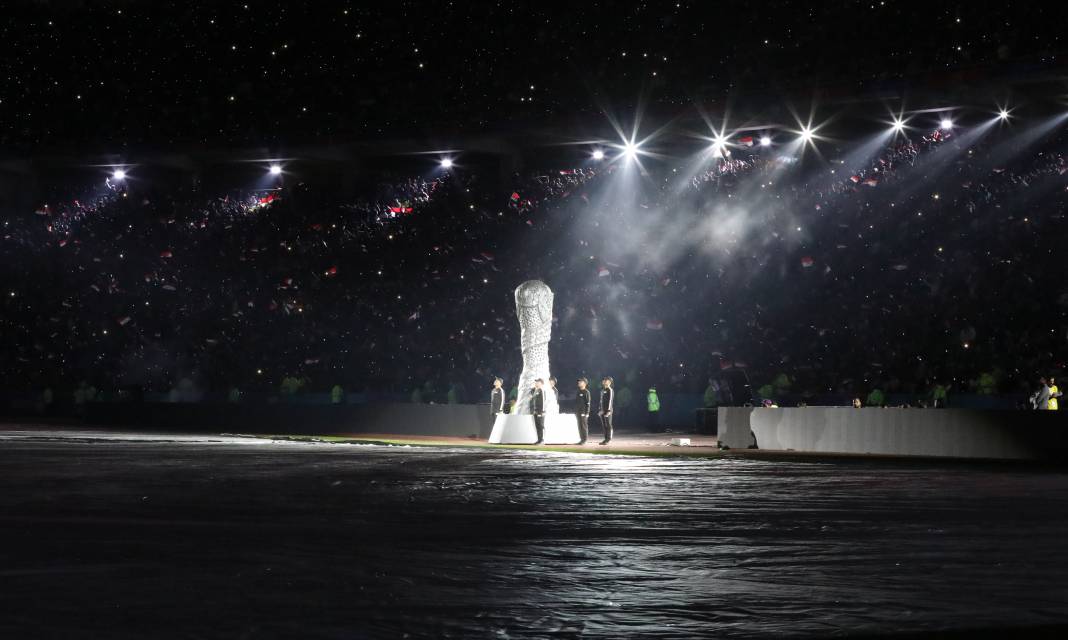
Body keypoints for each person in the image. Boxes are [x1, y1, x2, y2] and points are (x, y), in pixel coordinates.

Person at [599, 377, 614, 445]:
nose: (604, 381)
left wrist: (608, 410)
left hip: (608, 411)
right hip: (602, 411)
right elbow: (601, 401)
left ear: (610, 382)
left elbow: (610, 401)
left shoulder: (610, 390)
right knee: (604, 425)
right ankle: (605, 439)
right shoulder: (602, 390)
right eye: (604, 380)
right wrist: (600, 410)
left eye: (606, 381)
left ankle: (608, 439)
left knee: (608, 425)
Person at [575, 378, 591, 444]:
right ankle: (581, 439)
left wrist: (587, 412)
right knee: (579, 426)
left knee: (584, 426)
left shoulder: (586, 392)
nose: (579, 383)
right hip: (578, 412)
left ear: (584, 383)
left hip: (583, 412)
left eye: (580, 382)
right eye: (579, 382)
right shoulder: (578, 391)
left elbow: (588, 403)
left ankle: (585, 439)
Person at [531, 378, 545, 445]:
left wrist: (541, 411)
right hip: (536, 411)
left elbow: (543, 401)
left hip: (540, 412)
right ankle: (539, 440)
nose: (536, 383)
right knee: (537, 426)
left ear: (541, 383)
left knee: (540, 426)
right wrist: (534, 410)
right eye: (536, 382)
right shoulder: (536, 390)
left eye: (538, 382)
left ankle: (542, 440)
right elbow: (534, 402)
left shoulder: (542, 390)